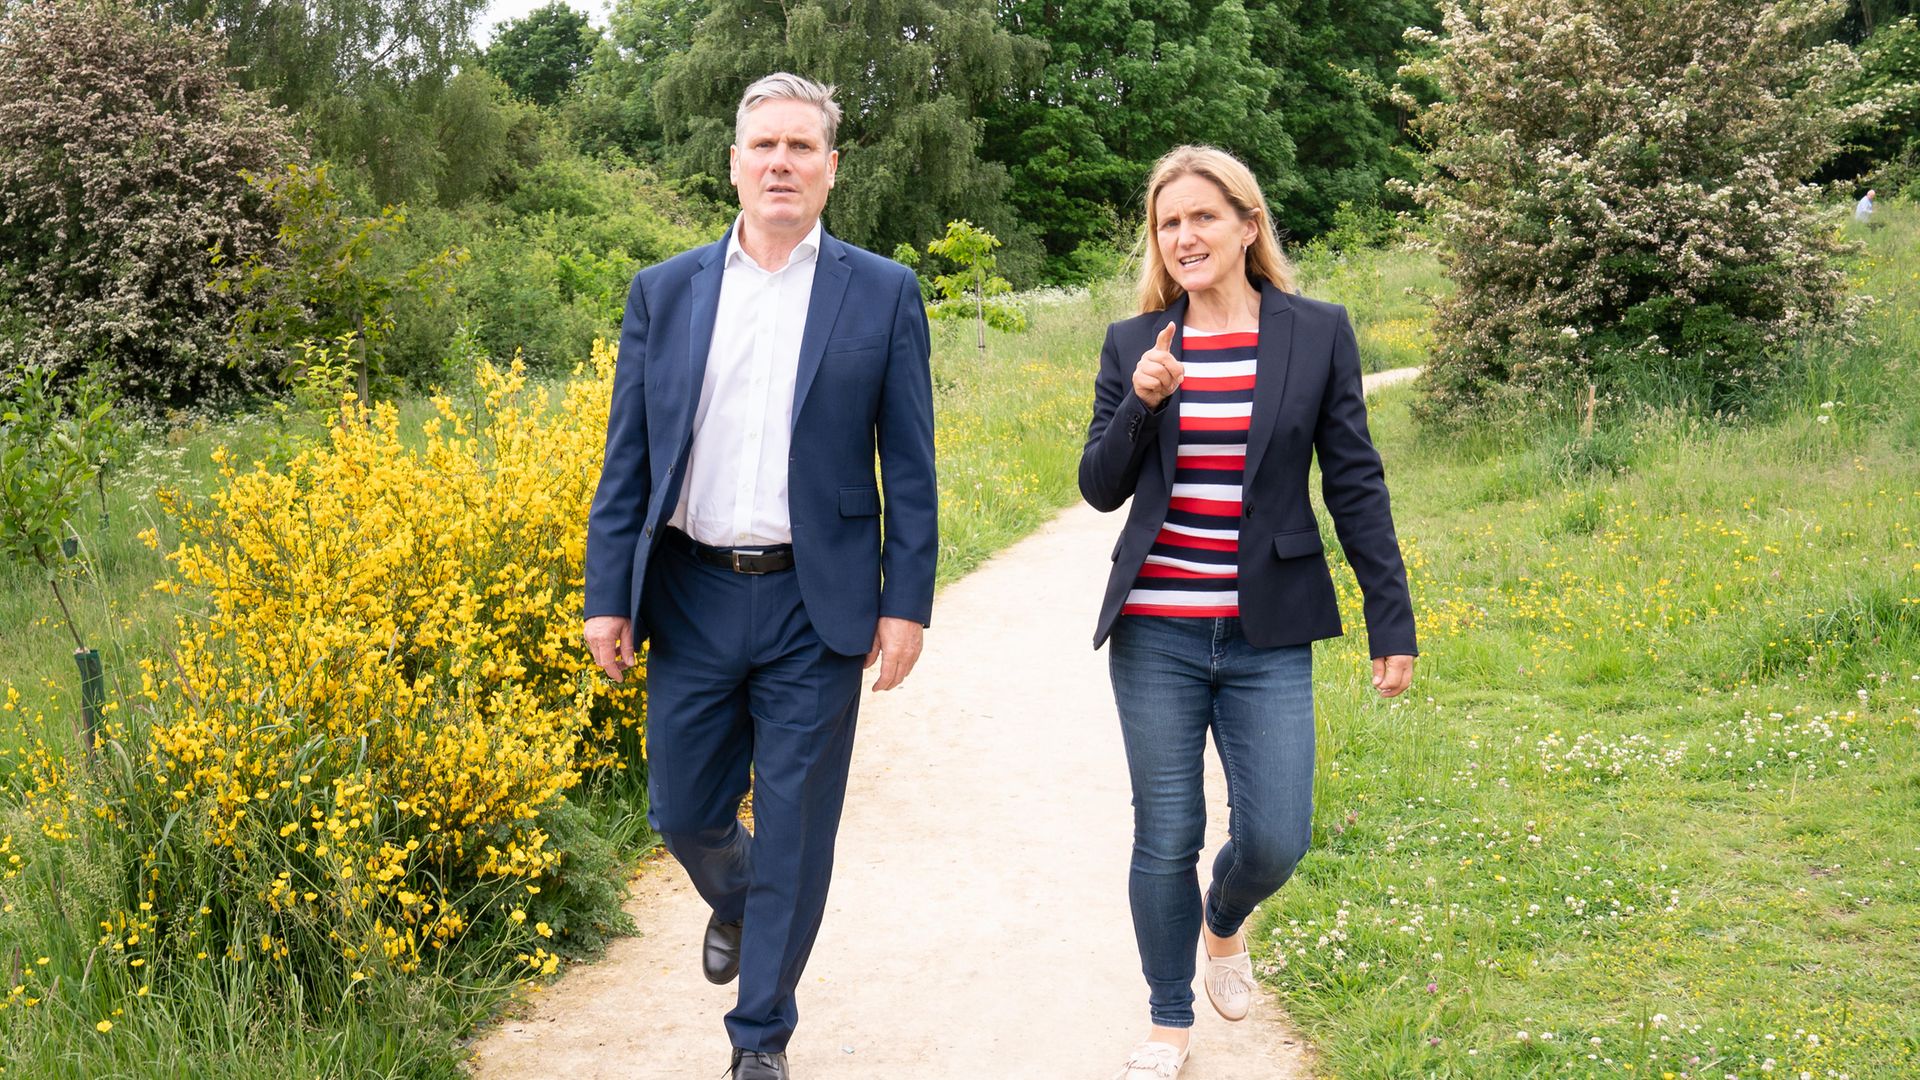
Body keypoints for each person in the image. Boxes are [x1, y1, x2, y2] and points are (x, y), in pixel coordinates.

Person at [582, 72, 937, 1080]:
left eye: (801, 148)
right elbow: (629, 461)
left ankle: (759, 1039)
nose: (781, 164)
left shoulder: (882, 292)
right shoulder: (665, 290)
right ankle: (737, 898)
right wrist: (607, 593)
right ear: (733, 163)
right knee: (682, 812)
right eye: (763, 148)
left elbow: (908, 465)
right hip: (688, 592)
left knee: (795, 832)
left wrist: (904, 604)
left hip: (813, 604)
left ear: (831, 168)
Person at [1078, 145, 1417, 1079]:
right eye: (1168, 223)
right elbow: (1099, 489)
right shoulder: (1133, 342)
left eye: (1203, 218)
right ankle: (1167, 1021)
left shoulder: (1316, 332)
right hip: (1156, 630)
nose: (1184, 236)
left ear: (1247, 225)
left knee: (1276, 837)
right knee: (1167, 832)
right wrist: (1140, 405)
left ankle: (1223, 922)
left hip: (1268, 631)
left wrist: (1392, 618)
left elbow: (1354, 481)